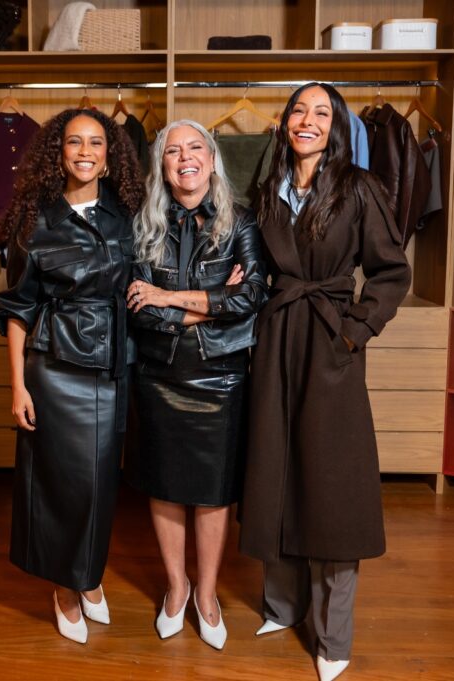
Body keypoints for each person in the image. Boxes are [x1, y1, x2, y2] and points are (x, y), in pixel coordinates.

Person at [238, 83, 412, 681]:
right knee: (275, 467)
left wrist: (353, 332)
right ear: (284, 121)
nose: (306, 120)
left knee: (332, 485)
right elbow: (258, 265)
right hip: (276, 337)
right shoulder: (268, 189)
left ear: (336, 126)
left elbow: (391, 272)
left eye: (321, 112)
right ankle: (282, 606)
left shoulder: (359, 187)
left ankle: (333, 634)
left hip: (329, 338)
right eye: (298, 109)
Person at [0, 108, 143, 644]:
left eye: (96, 143)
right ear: (58, 153)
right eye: (74, 142)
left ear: (109, 155)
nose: (85, 152)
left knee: (99, 483)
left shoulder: (126, 217)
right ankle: (64, 587)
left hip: (113, 365)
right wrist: (18, 386)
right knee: (61, 484)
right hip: (55, 369)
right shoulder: (34, 221)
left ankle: (88, 574)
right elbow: (17, 309)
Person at [123, 120, 267, 650]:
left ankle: (206, 595)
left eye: (195, 147)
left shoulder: (241, 222)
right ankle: (176, 588)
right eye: (172, 151)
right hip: (158, 373)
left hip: (221, 376)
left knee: (213, 492)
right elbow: (136, 308)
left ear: (211, 158)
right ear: (161, 166)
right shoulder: (142, 224)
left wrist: (167, 297)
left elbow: (251, 298)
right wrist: (209, 303)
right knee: (164, 487)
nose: (185, 158)